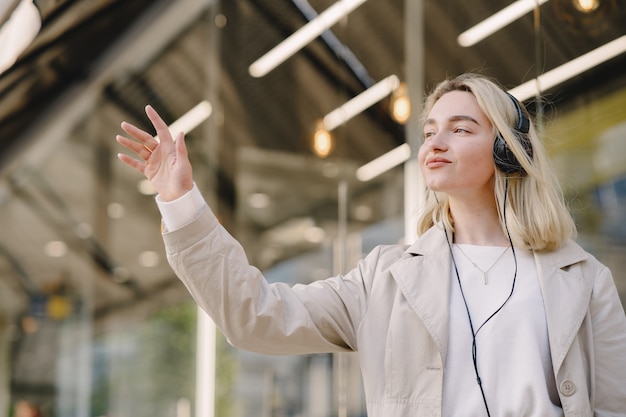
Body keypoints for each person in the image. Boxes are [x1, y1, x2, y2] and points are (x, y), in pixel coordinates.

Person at [116, 73, 626, 417]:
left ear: (505, 151)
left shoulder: (582, 280)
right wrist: (179, 198)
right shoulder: (385, 278)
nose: (435, 143)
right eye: (429, 132)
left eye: (460, 128)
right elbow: (256, 315)